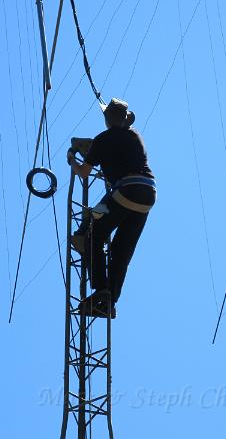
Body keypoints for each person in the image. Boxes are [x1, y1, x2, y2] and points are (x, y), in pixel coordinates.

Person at [67, 98, 156, 318]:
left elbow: (84, 172)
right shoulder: (136, 136)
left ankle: (99, 288)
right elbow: (117, 151)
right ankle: (108, 302)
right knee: (120, 251)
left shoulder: (103, 139)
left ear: (107, 120)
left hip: (126, 190)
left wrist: (72, 159)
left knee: (93, 231)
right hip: (147, 195)